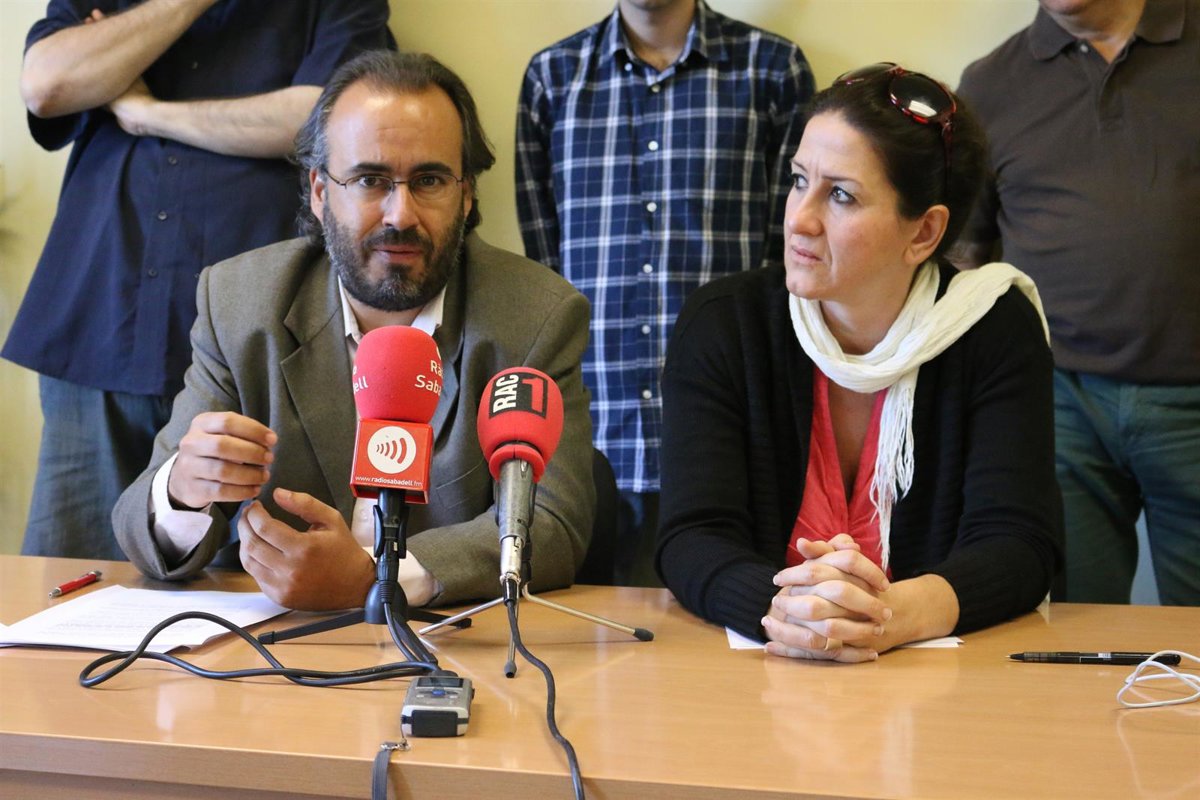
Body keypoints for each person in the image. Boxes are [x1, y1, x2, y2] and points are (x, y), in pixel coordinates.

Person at [112, 51, 595, 612]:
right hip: (273, 640)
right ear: (320, 191)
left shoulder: (535, 316)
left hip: (452, 641)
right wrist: (183, 490)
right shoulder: (241, 303)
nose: (400, 215)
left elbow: (553, 525)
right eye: (369, 179)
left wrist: (377, 582)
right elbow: (142, 533)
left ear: (466, 196)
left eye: (430, 180)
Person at [657, 64, 1063, 662]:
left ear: (924, 232)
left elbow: (1020, 544)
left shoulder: (994, 327)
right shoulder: (724, 323)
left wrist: (886, 616)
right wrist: (787, 612)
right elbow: (691, 536)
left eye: (840, 195)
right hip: (763, 673)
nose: (799, 218)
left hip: (939, 684)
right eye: (799, 181)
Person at [5, 0, 393, 561]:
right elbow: (46, 84)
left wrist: (145, 113)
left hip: (258, 343)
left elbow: (323, 125)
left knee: (251, 579)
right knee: (72, 576)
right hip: (100, 326)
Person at [515, 0, 814, 585]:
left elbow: (789, 265)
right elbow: (543, 266)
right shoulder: (553, 77)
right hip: (596, 430)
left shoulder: (772, 70)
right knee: (595, 632)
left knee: (724, 623)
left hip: (729, 432)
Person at [956, 0, 1200, 606]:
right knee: (1071, 620)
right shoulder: (989, 84)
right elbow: (965, 254)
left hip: (1192, 406)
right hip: (1058, 405)